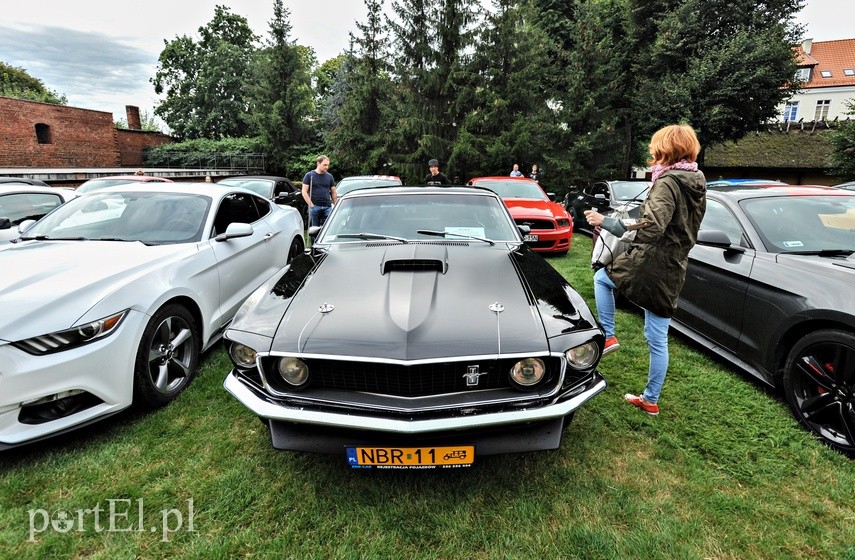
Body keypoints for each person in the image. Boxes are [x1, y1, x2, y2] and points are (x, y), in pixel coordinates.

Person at [584, 124, 706, 416]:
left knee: (602, 278)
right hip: (675, 265)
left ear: (666, 149)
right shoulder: (696, 179)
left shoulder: (667, 182)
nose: (651, 151)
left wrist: (608, 222)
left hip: (652, 261)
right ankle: (650, 400)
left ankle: (609, 335)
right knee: (657, 336)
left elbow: (652, 227)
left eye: (654, 146)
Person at [302, 155, 337, 228]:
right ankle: (314, 240)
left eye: (328, 165)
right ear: (318, 163)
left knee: (327, 228)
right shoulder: (309, 175)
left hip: (327, 206)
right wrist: (311, 205)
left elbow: (333, 191)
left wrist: (335, 204)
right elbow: (304, 191)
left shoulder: (329, 176)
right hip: (315, 206)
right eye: (325, 165)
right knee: (314, 229)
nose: (327, 167)